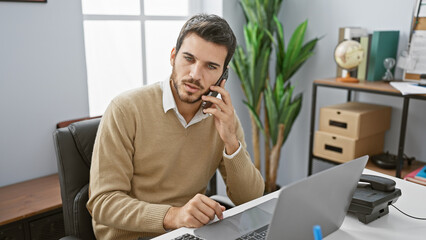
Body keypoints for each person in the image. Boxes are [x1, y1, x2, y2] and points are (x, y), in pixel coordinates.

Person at [87, 14, 264, 240]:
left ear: (223, 75)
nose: (195, 75)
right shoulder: (125, 109)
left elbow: (251, 199)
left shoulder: (222, 118)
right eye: (189, 59)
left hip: (189, 233)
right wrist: (174, 215)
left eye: (210, 66)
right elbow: (103, 204)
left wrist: (231, 140)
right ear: (173, 56)